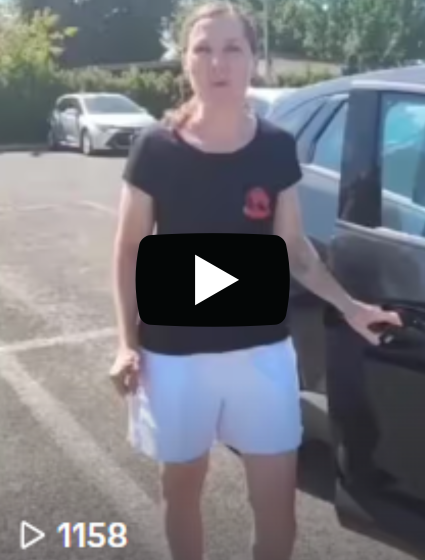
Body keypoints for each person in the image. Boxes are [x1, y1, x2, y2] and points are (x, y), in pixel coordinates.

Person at [109, 2, 401, 560]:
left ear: (252, 58)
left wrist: (352, 306)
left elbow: (295, 251)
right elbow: (128, 253)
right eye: (203, 49)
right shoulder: (155, 149)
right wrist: (126, 342)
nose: (217, 63)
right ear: (186, 61)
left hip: (261, 354)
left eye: (232, 49)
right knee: (181, 490)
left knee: (277, 510)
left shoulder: (275, 147)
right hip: (175, 356)